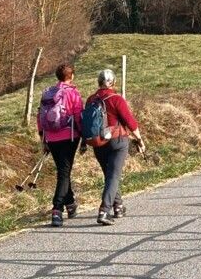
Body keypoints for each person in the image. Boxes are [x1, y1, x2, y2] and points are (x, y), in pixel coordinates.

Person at [84, 69, 144, 226]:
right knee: (114, 176)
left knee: (110, 176)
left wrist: (84, 143)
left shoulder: (90, 100)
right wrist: (139, 139)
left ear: (98, 82)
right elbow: (130, 122)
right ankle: (104, 210)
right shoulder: (116, 99)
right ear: (114, 83)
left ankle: (118, 207)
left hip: (98, 142)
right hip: (117, 141)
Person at [37, 63, 85, 227]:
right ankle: (57, 209)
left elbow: (40, 116)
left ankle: (70, 204)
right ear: (71, 76)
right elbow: (78, 115)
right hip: (69, 136)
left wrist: (43, 138)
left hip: (51, 137)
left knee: (64, 170)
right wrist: (84, 136)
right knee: (64, 173)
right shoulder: (73, 93)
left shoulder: (47, 93)